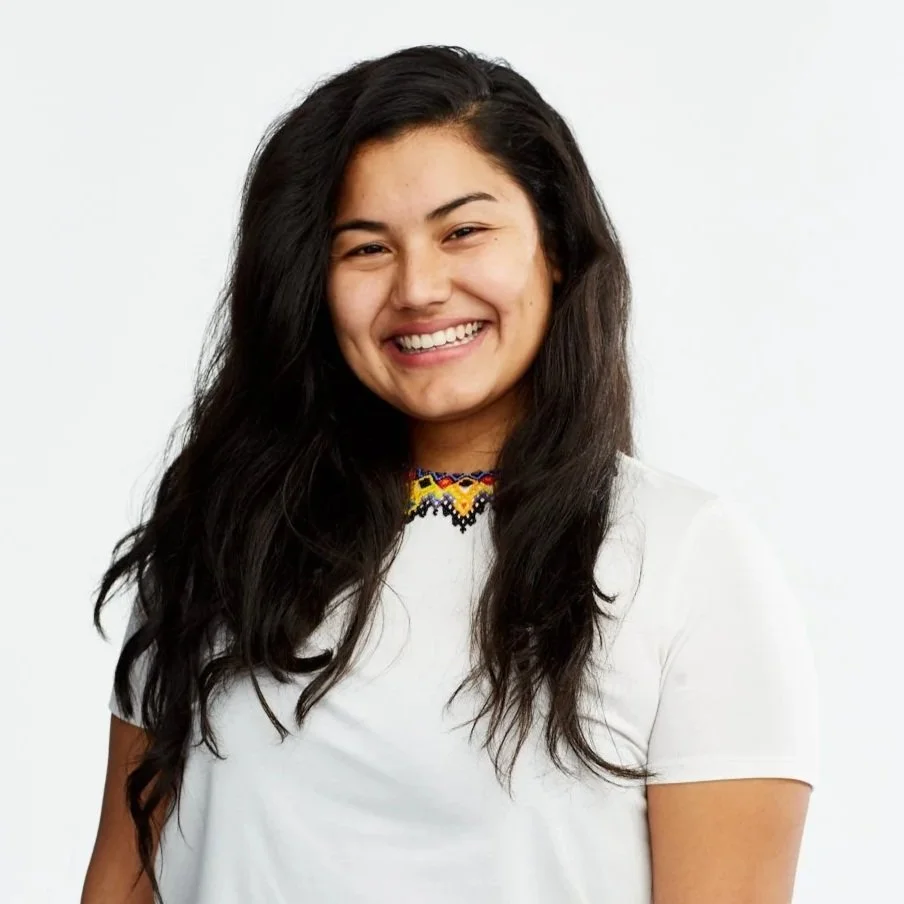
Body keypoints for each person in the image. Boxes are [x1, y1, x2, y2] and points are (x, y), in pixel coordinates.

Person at [81, 44, 818, 904]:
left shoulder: (686, 557)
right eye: (366, 248)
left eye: (463, 231)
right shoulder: (222, 531)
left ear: (554, 246)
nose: (419, 288)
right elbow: (122, 879)